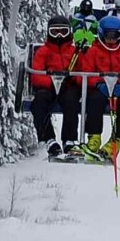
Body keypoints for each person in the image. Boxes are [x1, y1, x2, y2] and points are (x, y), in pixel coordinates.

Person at [81, 16, 120, 160]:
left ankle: (117, 140)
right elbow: (85, 73)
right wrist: (98, 83)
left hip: (119, 89)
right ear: (101, 34)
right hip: (100, 89)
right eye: (108, 35)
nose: (112, 39)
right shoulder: (93, 52)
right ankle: (94, 138)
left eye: (116, 36)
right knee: (94, 100)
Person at [30, 16, 85, 157]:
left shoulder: (74, 52)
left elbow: (84, 72)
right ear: (49, 32)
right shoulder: (44, 51)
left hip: (68, 86)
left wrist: (74, 78)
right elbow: (36, 75)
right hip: (48, 87)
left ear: (69, 32)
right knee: (39, 102)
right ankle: (49, 139)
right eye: (55, 32)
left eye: (63, 31)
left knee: (71, 100)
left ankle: (69, 139)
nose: (59, 35)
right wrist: (52, 81)